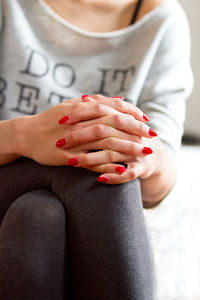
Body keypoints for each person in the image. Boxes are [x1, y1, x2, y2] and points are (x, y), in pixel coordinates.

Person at [0, 0, 193, 299]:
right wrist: (25, 135)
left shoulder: (160, 20)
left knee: (42, 214)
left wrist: (144, 154)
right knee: (98, 173)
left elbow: (159, 185)